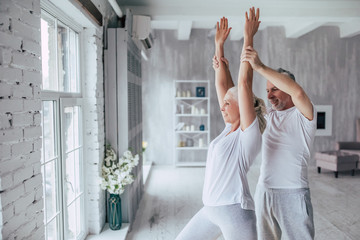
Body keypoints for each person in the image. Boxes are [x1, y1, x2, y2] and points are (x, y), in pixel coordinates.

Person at [176, 7, 266, 240]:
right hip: (210, 209)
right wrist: (218, 46)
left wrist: (248, 37)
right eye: (223, 103)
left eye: (228, 104)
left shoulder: (248, 135)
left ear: (243, 106)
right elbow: (222, 87)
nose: (221, 107)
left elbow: (243, 84)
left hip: (235, 210)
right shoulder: (229, 129)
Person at [241, 45, 317, 239]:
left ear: (288, 88)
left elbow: (298, 93)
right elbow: (243, 92)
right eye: (267, 90)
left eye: (275, 89)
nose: (269, 95)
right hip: (264, 191)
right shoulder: (269, 115)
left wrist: (259, 66)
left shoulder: (303, 115)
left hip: (293, 194)